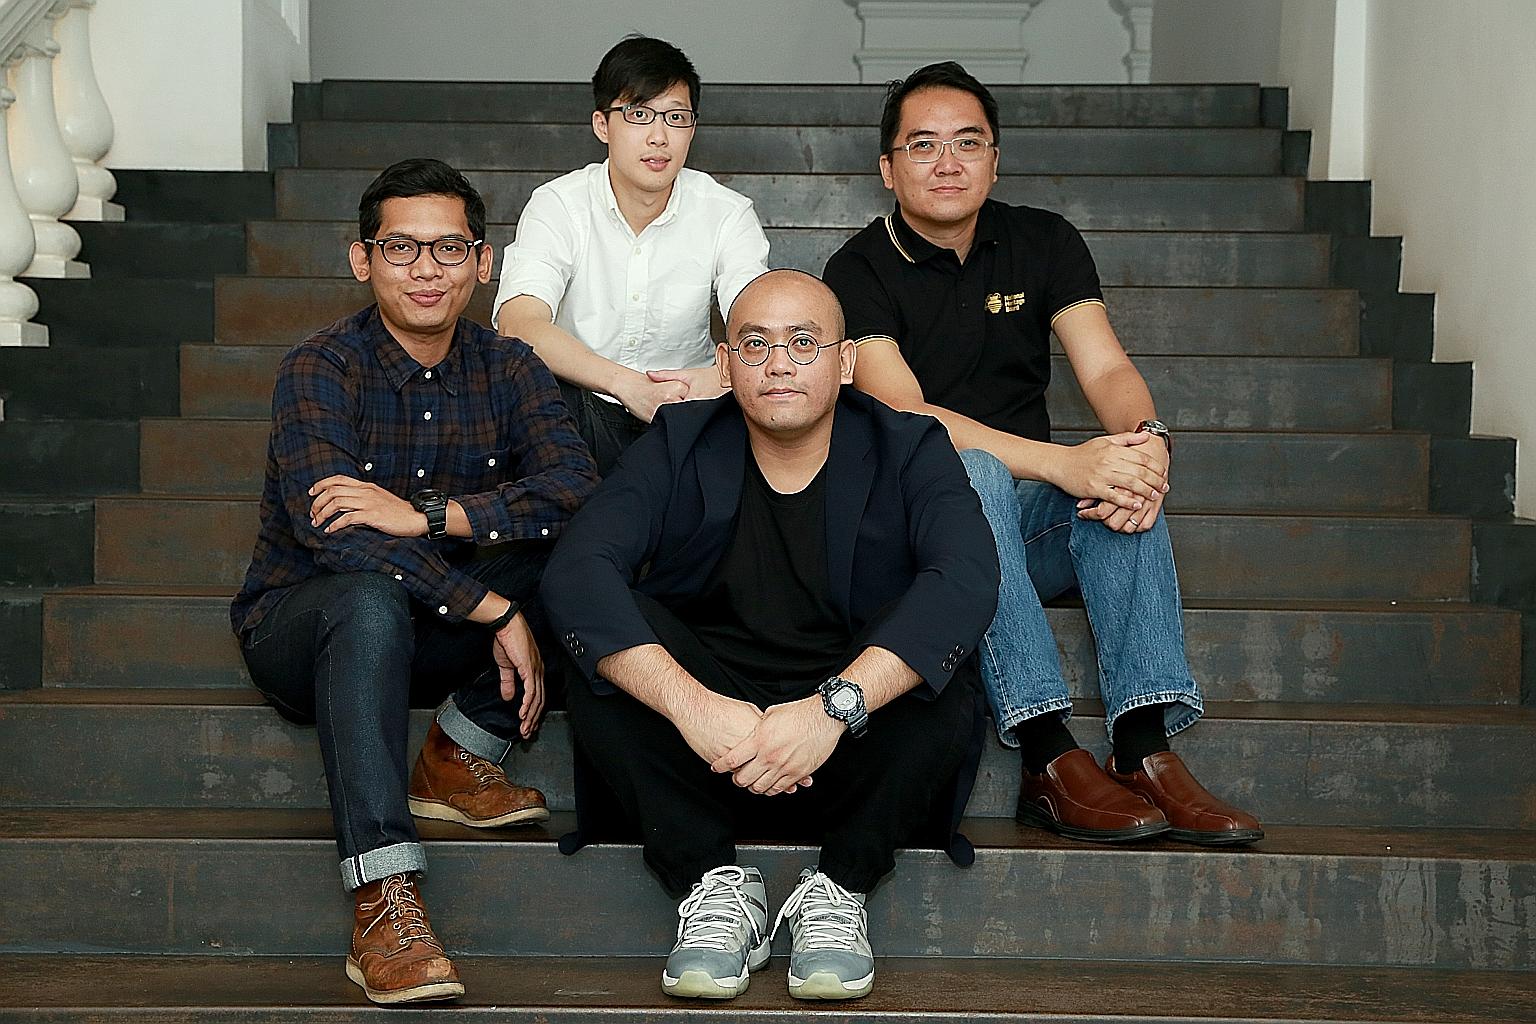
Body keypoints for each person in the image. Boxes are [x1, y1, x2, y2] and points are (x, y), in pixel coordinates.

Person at [822, 62, 1262, 846]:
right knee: (974, 473)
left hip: (1019, 524)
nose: (948, 162)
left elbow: (1107, 369)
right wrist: (1063, 462)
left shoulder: (1043, 240)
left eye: (968, 143)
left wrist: (1145, 444)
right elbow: (910, 417)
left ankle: (1143, 747)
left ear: (995, 159)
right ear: (887, 169)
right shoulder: (857, 269)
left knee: (1120, 475)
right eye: (923, 145)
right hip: (912, 533)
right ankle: (1047, 751)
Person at [540, 270, 998, 1001]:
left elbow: (966, 579)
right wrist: (694, 707)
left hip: (851, 743)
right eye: (755, 344)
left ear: (845, 362)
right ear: (725, 366)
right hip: (708, 746)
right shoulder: (679, 440)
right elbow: (577, 570)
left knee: (936, 659)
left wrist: (830, 711)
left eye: (802, 343)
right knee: (609, 644)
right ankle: (712, 884)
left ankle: (839, 890)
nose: (778, 363)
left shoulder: (910, 445)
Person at [230, 158, 599, 1005]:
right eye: (401, 248)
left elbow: (574, 489)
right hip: (306, 630)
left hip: (431, 623)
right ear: (362, 260)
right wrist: (490, 605)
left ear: (484, 262)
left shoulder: (511, 366)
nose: (427, 270)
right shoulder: (319, 367)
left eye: (449, 248)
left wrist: (430, 517)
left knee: (589, 554)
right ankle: (383, 898)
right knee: (366, 598)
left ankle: (457, 752)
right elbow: (335, 535)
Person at [493, 35, 771, 474]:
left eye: (676, 117)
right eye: (639, 114)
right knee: (543, 396)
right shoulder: (559, 204)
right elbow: (519, 323)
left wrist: (715, 379)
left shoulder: (726, 213)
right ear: (602, 125)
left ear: (692, 128)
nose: (659, 137)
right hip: (580, 406)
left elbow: (761, 327)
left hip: (688, 404)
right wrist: (626, 386)